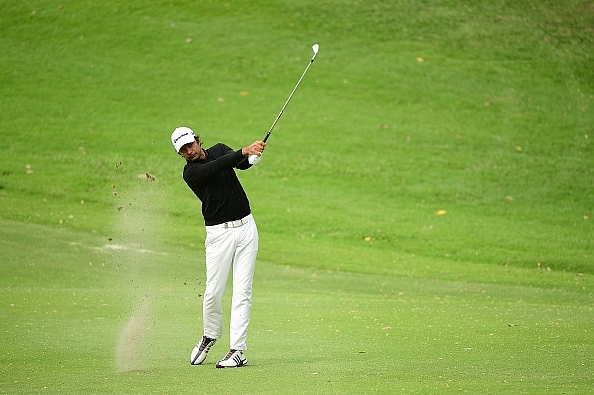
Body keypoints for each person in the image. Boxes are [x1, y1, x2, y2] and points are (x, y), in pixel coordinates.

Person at [170, 126, 265, 368]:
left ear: (197, 140)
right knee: (213, 292)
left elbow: (239, 164)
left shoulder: (220, 149)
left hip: (246, 228)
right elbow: (219, 166)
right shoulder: (191, 173)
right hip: (219, 234)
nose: (189, 150)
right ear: (180, 154)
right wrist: (244, 151)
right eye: (183, 149)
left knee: (243, 292)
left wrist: (252, 157)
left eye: (190, 144)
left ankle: (237, 351)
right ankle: (210, 335)